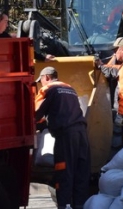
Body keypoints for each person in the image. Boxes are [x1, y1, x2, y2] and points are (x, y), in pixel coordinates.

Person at [34, 66, 90, 209]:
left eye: (41, 81)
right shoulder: (70, 88)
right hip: (81, 134)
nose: (41, 84)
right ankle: (79, 204)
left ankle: (64, 205)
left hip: (66, 136)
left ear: (46, 77)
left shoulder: (49, 89)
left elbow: (36, 113)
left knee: (64, 171)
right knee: (80, 171)